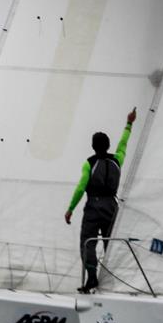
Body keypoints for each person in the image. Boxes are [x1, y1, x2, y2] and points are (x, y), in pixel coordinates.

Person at [65, 108, 137, 293]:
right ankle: (114, 280)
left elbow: (81, 187)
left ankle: (92, 278)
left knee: (87, 242)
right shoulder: (117, 160)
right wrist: (129, 124)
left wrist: (71, 208)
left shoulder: (89, 163)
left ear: (93, 146)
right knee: (109, 243)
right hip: (112, 206)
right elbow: (123, 144)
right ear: (108, 145)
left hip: (93, 206)